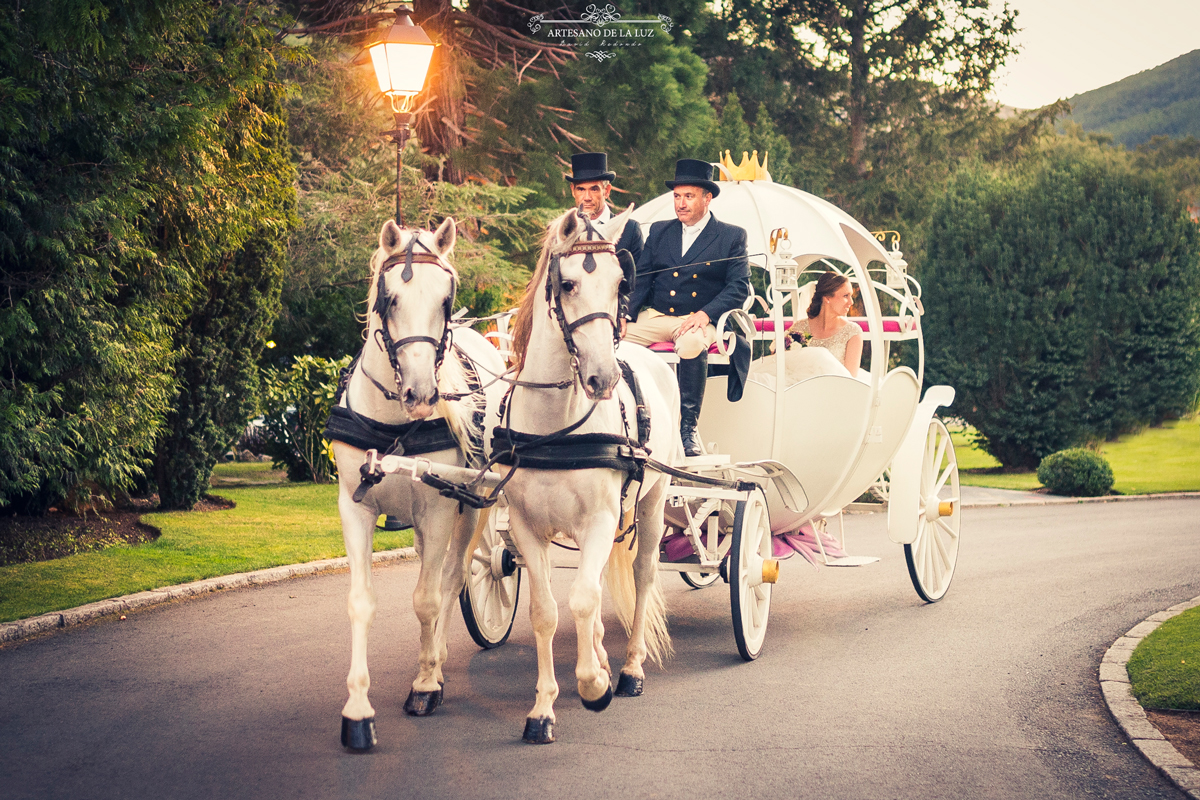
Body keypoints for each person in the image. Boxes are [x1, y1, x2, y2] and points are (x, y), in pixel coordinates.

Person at [623, 158, 750, 456]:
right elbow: (642, 278)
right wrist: (625, 315)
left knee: (692, 344)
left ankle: (687, 429)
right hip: (657, 316)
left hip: (701, 320)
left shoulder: (731, 236)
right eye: (677, 196)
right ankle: (627, 417)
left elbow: (738, 287)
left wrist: (706, 314)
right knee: (615, 342)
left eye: (688, 196)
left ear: (707, 198)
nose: (680, 203)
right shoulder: (659, 231)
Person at [566, 152, 642, 262]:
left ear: (606, 191)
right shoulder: (563, 231)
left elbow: (639, 277)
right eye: (581, 189)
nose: (587, 197)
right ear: (573, 191)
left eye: (594, 189)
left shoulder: (630, 231)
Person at [785, 272, 863, 374]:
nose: (851, 302)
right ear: (827, 298)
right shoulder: (800, 328)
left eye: (851, 296)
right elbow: (786, 365)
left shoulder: (852, 332)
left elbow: (851, 378)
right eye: (845, 296)